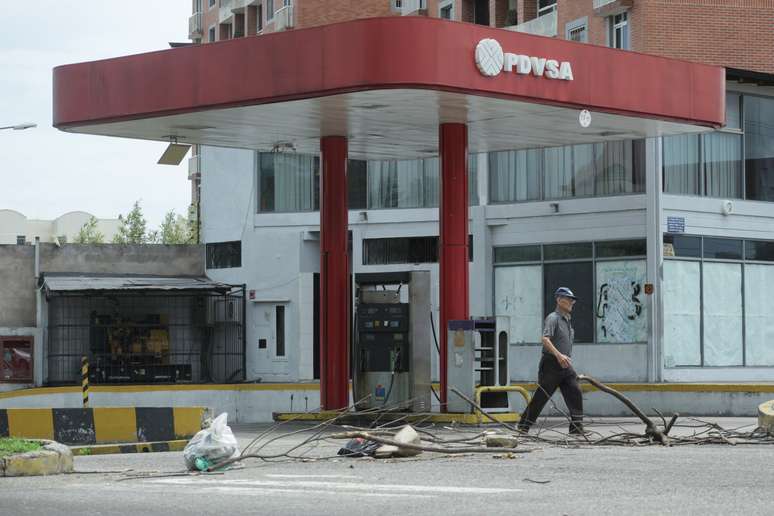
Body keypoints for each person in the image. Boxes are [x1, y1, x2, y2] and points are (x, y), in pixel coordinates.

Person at [518, 287, 585, 435]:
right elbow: (545, 339)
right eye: (569, 299)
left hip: (565, 365)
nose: (572, 302)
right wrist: (559, 355)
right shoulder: (553, 318)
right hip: (551, 364)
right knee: (541, 397)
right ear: (559, 300)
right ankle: (524, 426)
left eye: (573, 300)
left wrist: (564, 358)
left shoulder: (567, 321)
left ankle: (577, 428)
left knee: (575, 392)